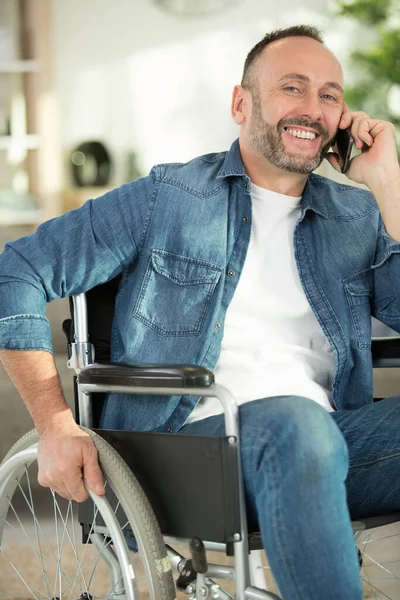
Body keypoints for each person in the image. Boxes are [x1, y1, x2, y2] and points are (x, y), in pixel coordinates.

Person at [0, 24, 400, 599]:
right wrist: (55, 423)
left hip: (331, 442)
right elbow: (18, 270)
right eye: (293, 87)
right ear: (242, 103)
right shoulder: (170, 197)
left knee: (308, 429)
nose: (313, 108)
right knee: (296, 423)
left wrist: (387, 186)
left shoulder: (356, 217)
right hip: (189, 454)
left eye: (330, 95)